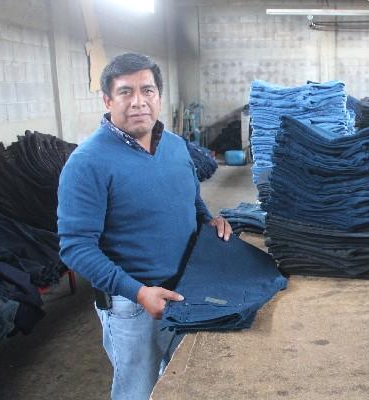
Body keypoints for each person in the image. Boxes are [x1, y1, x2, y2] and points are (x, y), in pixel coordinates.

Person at [57, 53, 232, 400]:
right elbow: (76, 247)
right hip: (133, 305)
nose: (138, 101)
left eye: (147, 90)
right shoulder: (87, 163)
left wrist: (208, 219)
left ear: (159, 97)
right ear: (107, 100)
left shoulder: (176, 147)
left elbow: (191, 199)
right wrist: (138, 292)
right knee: (137, 391)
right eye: (126, 92)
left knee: (182, 383)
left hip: (188, 289)